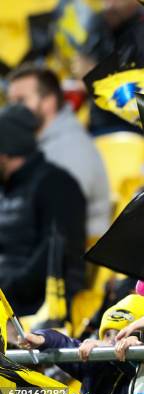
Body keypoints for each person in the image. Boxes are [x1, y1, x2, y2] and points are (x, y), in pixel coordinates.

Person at [6, 64, 111, 242]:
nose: (12, 111)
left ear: (49, 102)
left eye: (21, 100)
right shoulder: (34, 144)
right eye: (11, 103)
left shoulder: (72, 148)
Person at [0, 104, 86, 316]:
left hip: (34, 307)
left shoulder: (56, 185)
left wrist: (6, 291)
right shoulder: (6, 188)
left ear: (6, 152)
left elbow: (52, 256)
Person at [17, 294, 144, 394]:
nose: (111, 342)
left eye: (121, 335)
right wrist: (42, 339)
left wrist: (111, 351)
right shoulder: (95, 364)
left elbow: (135, 371)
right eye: (107, 335)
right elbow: (66, 344)